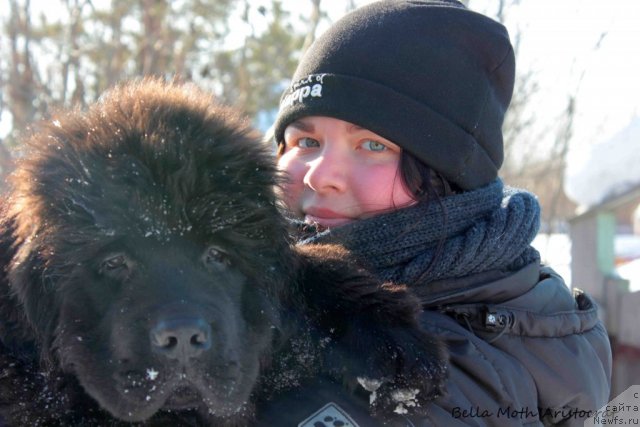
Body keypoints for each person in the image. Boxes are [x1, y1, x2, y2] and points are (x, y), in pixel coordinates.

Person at [258, 0, 612, 426]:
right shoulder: (504, 289)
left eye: (374, 145)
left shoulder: (423, 369)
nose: (320, 176)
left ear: (446, 177)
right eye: (305, 141)